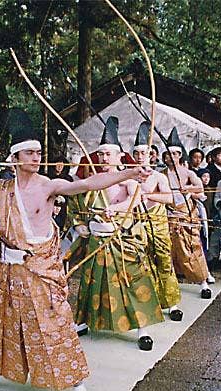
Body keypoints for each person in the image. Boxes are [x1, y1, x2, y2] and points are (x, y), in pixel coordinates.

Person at [0, 115, 150, 391]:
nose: (37, 158)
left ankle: (79, 387)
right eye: (30, 153)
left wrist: (128, 174)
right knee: (4, 322)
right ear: (15, 158)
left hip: (40, 266)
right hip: (10, 269)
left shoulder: (48, 185)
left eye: (38, 153)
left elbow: (86, 183)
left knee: (56, 323)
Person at [73, 117, 164, 352]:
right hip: (96, 239)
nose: (103, 159)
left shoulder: (128, 179)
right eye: (101, 155)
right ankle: (83, 321)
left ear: (119, 157)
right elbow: (81, 204)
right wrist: (80, 224)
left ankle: (143, 329)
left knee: (132, 280)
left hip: (121, 238)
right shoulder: (93, 179)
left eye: (108, 155)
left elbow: (135, 199)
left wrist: (116, 208)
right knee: (92, 281)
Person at [154, 128, 215, 298]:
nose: (170, 158)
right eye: (167, 154)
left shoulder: (188, 173)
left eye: (174, 154)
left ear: (179, 155)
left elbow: (201, 191)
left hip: (186, 215)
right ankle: (170, 283)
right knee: (168, 249)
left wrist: (187, 189)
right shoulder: (161, 174)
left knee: (192, 247)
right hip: (168, 215)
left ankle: (203, 281)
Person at [132, 122, 183, 321]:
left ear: (150, 154)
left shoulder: (157, 176)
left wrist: (149, 197)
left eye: (143, 153)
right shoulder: (128, 176)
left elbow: (170, 198)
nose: (139, 157)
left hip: (158, 222)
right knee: (143, 263)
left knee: (164, 260)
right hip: (138, 224)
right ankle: (150, 301)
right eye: (136, 153)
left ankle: (172, 303)